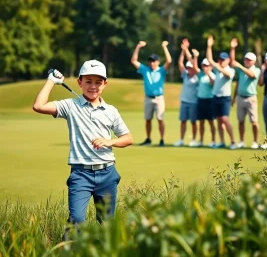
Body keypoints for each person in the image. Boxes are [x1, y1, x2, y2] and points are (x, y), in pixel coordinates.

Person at [32, 60, 133, 234]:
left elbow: (128, 138)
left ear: (105, 84)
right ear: (80, 82)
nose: (93, 86)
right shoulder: (70, 106)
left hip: (107, 173)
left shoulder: (111, 111)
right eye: (88, 81)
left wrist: (110, 142)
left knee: (107, 224)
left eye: (98, 82)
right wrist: (51, 81)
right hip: (81, 175)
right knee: (77, 220)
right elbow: (38, 106)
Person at [131, 40, 172, 147]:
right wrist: (138, 47)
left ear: (158, 62)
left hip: (159, 98)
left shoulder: (161, 70)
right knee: (148, 119)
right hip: (148, 98)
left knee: (160, 119)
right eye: (150, 61)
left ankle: (162, 140)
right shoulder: (145, 70)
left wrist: (164, 47)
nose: (152, 63)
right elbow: (134, 60)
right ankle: (148, 139)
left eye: (154, 61)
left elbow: (169, 61)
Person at [181, 40, 216, 147]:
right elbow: (193, 65)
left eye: (207, 66)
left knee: (210, 122)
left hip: (209, 100)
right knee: (201, 122)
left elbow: (212, 83)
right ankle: (200, 140)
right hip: (200, 100)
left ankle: (213, 141)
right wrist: (192, 54)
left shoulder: (212, 75)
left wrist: (208, 73)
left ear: (210, 66)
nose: (205, 67)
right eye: (204, 66)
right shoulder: (200, 74)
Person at [206, 35, 237, 149]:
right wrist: (209, 46)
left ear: (228, 60)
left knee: (224, 119)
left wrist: (217, 66)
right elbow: (210, 60)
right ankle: (222, 141)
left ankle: (233, 141)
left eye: (223, 59)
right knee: (218, 120)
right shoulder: (218, 69)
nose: (221, 61)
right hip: (216, 97)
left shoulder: (230, 70)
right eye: (220, 59)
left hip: (225, 98)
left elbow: (227, 75)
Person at [230, 38, 261, 149]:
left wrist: (240, 66)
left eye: (249, 60)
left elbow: (252, 75)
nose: (247, 61)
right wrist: (233, 48)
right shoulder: (241, 70)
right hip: (240, 98)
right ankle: (242, 141)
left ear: (253, 61)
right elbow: (232, 62)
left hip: (251, 98)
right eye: (245, 59)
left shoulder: (256, 70)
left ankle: (255, 142)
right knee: (241, 121)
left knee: (254, 122)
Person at [173, 39, 199, 147]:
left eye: (190, 67)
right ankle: (181, 139)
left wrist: (188, 50)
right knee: (183, 121)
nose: (188, 69)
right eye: (187, 67)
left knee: (193, 122)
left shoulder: (198, 76)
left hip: (193, 102)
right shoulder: (185, 75)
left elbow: (193, 63)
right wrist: (183, 51)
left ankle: (193, 140)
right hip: (184, 101)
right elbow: (180, 62)